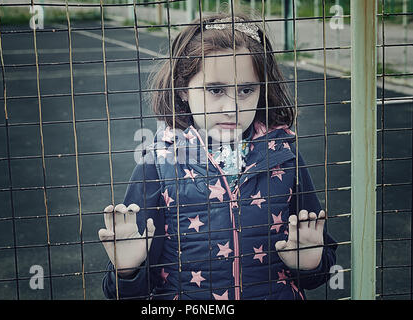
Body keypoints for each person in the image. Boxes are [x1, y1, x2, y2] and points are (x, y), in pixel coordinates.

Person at [98, 12, 337, 300]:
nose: (233, 108)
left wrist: (310, 264)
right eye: (215, 90)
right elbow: (124, 294)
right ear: (183, 89)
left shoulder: (285, 156)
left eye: (246, 90)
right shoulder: (158, 164)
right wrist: (126, 271)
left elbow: (320, 267)